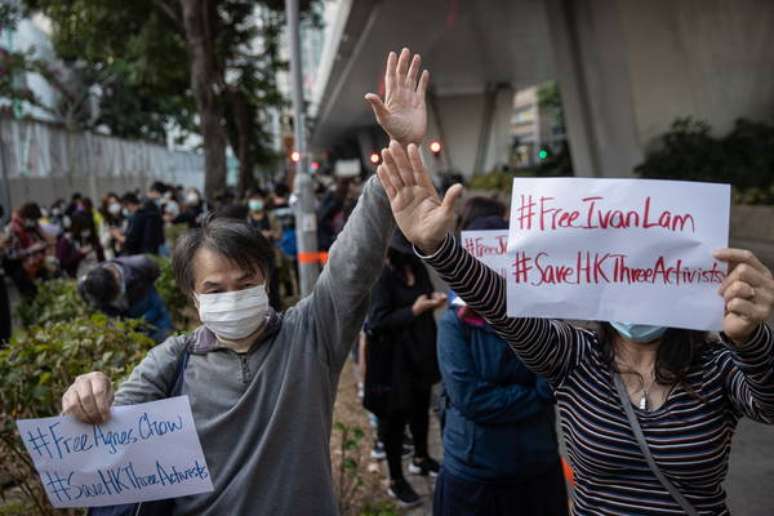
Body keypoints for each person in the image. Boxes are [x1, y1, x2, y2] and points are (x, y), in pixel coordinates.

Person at [59, 48, 428, 515]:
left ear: (266, 281)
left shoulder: (310, 336)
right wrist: (85, 394)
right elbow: (106, 426)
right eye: (215, 289)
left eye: (244, 281)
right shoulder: (171, 362)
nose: (231, 296)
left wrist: (396, 154)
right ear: (194, 298)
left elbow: (352, 263)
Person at [376, 139, 774, 515]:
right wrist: (440, 250)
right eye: (620, 267)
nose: (634, 280)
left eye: (650, 268)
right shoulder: (575, 356)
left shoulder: (718, 366)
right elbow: (504, 306)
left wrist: (752, 338)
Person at [433, 209, 568, 516]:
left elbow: (554, 381)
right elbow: (469, 398)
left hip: (537, 466)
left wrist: (530, 394)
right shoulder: (455, 323)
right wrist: (532, 396)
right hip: (475, 472)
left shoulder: (542, 314)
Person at [365, 231, 446, 507]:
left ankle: (422, 458)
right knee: (394, 420)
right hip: (392, 361)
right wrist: (414, 310)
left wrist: (433, 301)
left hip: (420, 353)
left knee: (421, 409)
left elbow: (423, 296)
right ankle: (396, 479)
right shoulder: (383, 278)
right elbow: (377, 321)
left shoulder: (418, 268)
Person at [78, 254, 173, 343]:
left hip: (150, 309)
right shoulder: (88, 287)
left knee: (166, 341)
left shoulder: (139, 265)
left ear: (115, 278)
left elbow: (155, 272)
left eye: (112, 297)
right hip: (128, 324)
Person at [4, 202, 50, 297]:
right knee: (30, 293)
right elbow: (11, 254)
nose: (34, 222)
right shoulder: (13, 229)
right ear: (25, 217)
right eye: (33, 220)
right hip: (18, 266)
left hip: (34, 263)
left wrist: (43, 244)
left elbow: (44, 238)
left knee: (46, 285)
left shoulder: (33, 226)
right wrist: (30, 250)